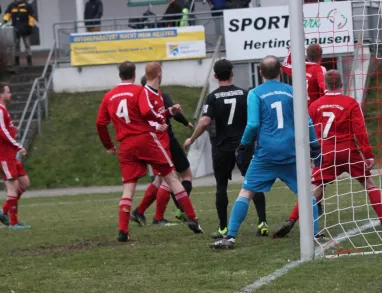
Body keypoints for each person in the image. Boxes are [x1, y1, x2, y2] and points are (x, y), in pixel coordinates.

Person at [210, 56, 321, 250]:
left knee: (247, 192)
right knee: (306, 194)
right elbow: (308, 121)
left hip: (266, 153)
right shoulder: (293, 92)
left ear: (260, 73)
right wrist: (314, 146)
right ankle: (315, 235)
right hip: (290, 152)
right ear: (280, 72)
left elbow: (253, 124)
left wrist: (243, 146)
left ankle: (230, 237)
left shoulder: (255, 93)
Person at [273, 70, 382, 239]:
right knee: (368, 183)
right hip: (348, 150)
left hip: (326, 151)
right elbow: (360, 130)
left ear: (326, 85)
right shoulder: (350, 103)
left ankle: (292, 219)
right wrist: (368, 154)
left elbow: (310, 131)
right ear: (342, 84)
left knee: (316, 188)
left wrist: (312, 153)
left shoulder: (315, 105)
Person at [96, 61, 202, 242]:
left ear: (119, 74)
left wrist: (109, 145)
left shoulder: (109, 96)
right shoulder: (140, 91)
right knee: (172, 177)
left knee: (128, 189)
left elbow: (100, 123)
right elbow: (146, 112)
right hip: (145, 139)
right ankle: (192, 218)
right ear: (134, 74)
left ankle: (123, 230)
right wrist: (162, 117)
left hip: (125, 145)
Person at [184, 59, 268, 239]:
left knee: (221, 186)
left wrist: (192, 138)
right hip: (243, 146)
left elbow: (205, 121)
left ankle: (223, 228)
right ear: (232, 73)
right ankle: (262, 223)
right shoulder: (246, 94)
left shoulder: (213, 97)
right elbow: (256, 120)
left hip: (221, 147)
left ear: (215, 76)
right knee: (253, 182)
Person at [131, 75, 194, 225]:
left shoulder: (139, 100)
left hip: (151, 141)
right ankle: (167, 214)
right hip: (166, 140)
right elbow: (174, 113)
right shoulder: (160, 96)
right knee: (180, 176)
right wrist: (186, 123)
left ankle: (139, 212)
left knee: (161, 179)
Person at [0, 83, 30, 230]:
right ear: (1, 95)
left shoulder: (4, 110)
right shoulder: (0, 110)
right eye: (8, 92)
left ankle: (7, 215)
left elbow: (6, 129)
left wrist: (13, 129)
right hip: (4, 156)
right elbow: (2, 131)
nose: (10, 94)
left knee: (24, 184)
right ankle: (11, 220)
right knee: (12, 188)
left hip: (10, 155)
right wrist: (18, 145)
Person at [3, 0, 36, 67]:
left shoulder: (27, 6)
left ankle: (29, 60)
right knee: (16, 46)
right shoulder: (12, 5)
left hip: (25, 29)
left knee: (27, 45)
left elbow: (31, 17)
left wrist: (30, 26)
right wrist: (4, 21)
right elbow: (7, 15)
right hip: (15, 30)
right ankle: (17, 61)